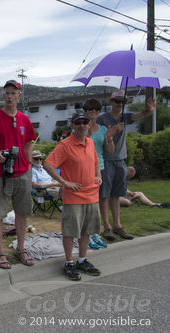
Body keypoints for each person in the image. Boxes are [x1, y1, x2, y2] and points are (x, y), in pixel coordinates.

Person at [0, 79, 36, 269]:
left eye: (13, 93)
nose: (10, 96)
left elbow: (29, 142)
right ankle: (0, 251)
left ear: (19, 96)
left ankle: (21, 247)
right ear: (3, 96)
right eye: (7, 93)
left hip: (22, 173)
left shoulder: (24, 120)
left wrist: (28, 165)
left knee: (21, 213)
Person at [43, 111, 103, 281]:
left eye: (85, 122)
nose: (82, 125)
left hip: (92, 194)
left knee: (86, 231)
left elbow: (96, 161)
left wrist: (98, 175)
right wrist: (64, 182)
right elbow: (48, 164)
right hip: (74, 196)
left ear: (89, 124)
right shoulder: (65, 145)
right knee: (70, 232)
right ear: (72, 126)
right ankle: (69, 262)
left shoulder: (90, 142)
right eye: (78, 123)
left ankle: (82, 260)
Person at [97, 90, 155, 241]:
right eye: (117, 101)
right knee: (104, 195)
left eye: (122, 102)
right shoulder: (102, 119)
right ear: (111, 102)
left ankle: (118, 226)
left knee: (116, 194)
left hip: (120, 160)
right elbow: (99, 139)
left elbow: (141, 114)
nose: (120, 104)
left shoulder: (126, 117)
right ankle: (107, 227)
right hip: (106, 160)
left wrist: (149, 110)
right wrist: (115, 130)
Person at [84, 98, 115, 249]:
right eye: (91, 110)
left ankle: (95, 232)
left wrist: (109, 137)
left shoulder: (103, 129)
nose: (94, 112)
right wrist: (87, 134)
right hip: (85, 169)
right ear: (85, 111)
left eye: (96, 110)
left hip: (100, 168)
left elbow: (110, 150)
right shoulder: (80, 127)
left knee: (97, 202)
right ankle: (86, 234)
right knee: (88, 204)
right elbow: (79, 147)